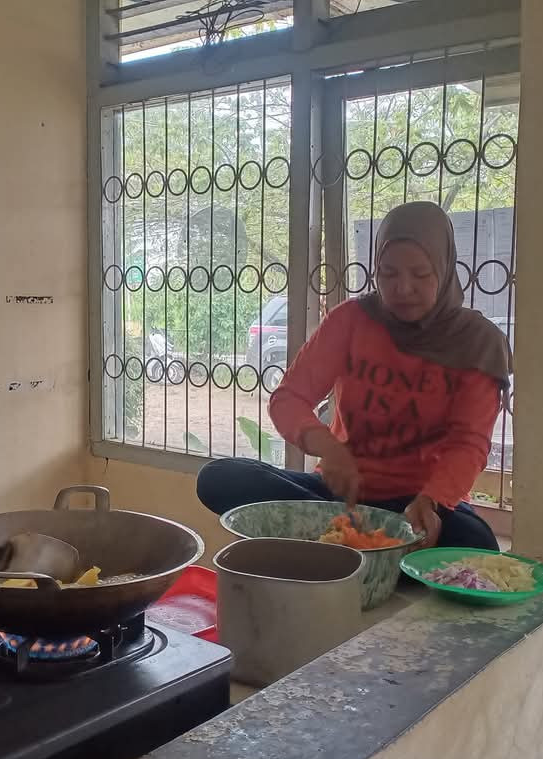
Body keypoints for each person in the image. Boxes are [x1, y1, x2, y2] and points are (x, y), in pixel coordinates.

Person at [197, 201, 511, 550]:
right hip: (340, 496)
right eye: (388, 273)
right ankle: (363, 541)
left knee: (477, 541)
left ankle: (337, 545)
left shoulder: (476, 342)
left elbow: (469, 443)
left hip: (416, 503)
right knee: (219, 478)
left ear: (445, 267)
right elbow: (288, 399)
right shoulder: (352, 320)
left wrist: (432, 501)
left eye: (421, 274)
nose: (403, 288)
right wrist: (328, 448)